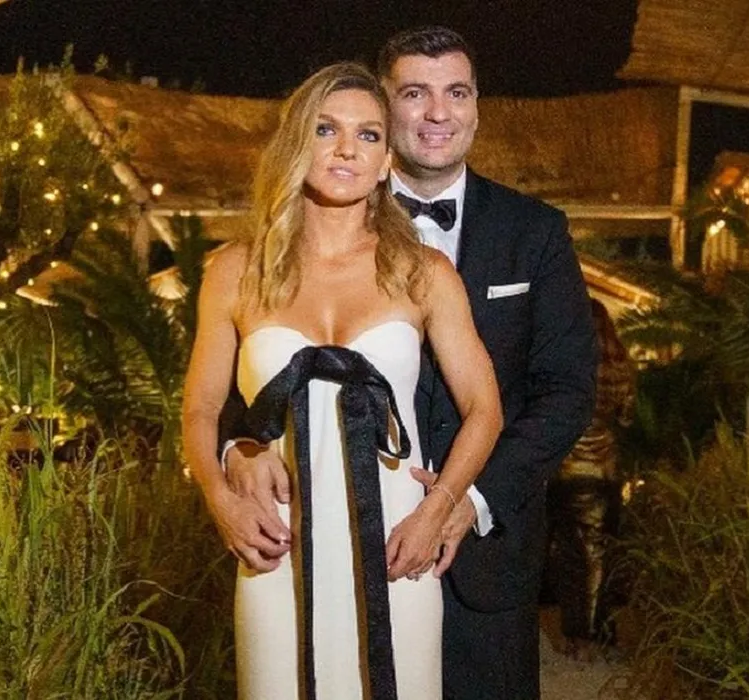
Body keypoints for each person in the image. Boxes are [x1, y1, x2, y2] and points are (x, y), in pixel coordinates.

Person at [225, 26, 598, 700]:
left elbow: (566, 392)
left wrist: (466, 501)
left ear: (477, 105)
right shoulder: (311, 221)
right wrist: (238, 449)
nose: (437, 113)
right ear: (383, 107)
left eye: (457, 93)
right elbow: (247, 370)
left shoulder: (535, 231)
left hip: (485, 553)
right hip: (328, 543)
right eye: (415, 93)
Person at [181, 61, 503, 700]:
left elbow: (484, 408)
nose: (347, 149)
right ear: (296, 144)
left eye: (369, 135)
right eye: (326, 129)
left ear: (386, 163)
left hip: (396, 543)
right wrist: (221, 500)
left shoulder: (424, 272)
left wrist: (438, 509)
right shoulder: (235, 271)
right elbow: (200, 408)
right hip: (277, 541)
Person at [545, 298, 635, 660]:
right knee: (601, 556)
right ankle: (602, 634)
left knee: (571, 558)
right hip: (606, 473)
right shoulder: (621, 368)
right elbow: (627, 418)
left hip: (568, 473)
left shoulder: (568, 364)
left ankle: (579, 636)